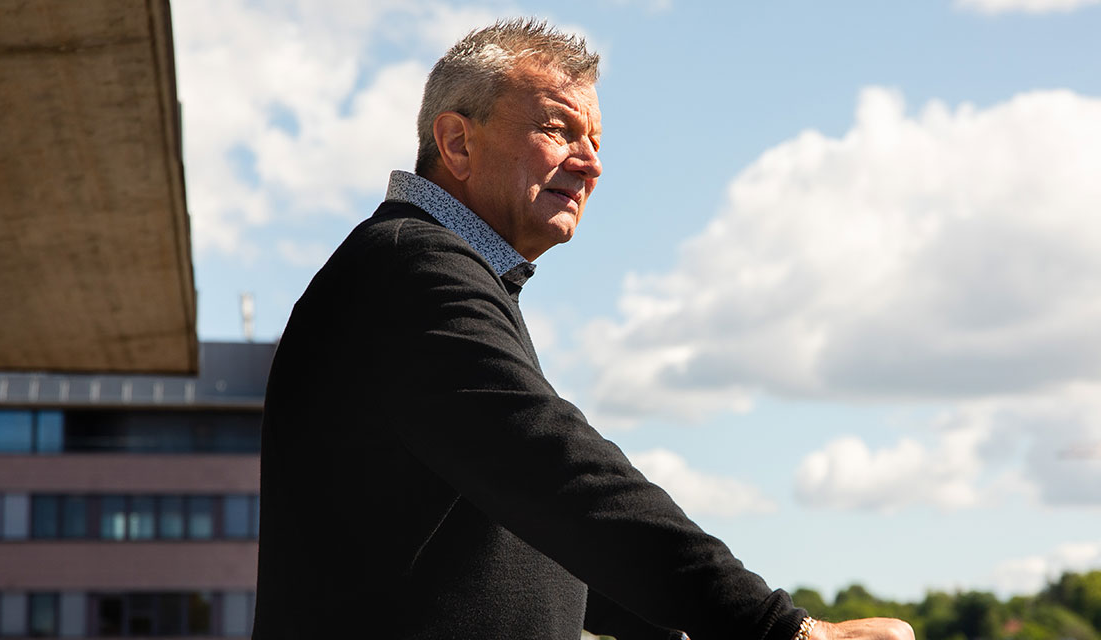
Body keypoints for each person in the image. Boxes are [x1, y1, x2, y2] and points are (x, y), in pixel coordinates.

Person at [252, 18, 914, 640]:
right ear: (456, 142)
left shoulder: (428, 270)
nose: (590, 164)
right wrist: (775, 631)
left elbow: (534, 525)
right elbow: (553, 469)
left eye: (595, 142)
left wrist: (682, 624)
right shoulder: (411, 266)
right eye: (560, 131)